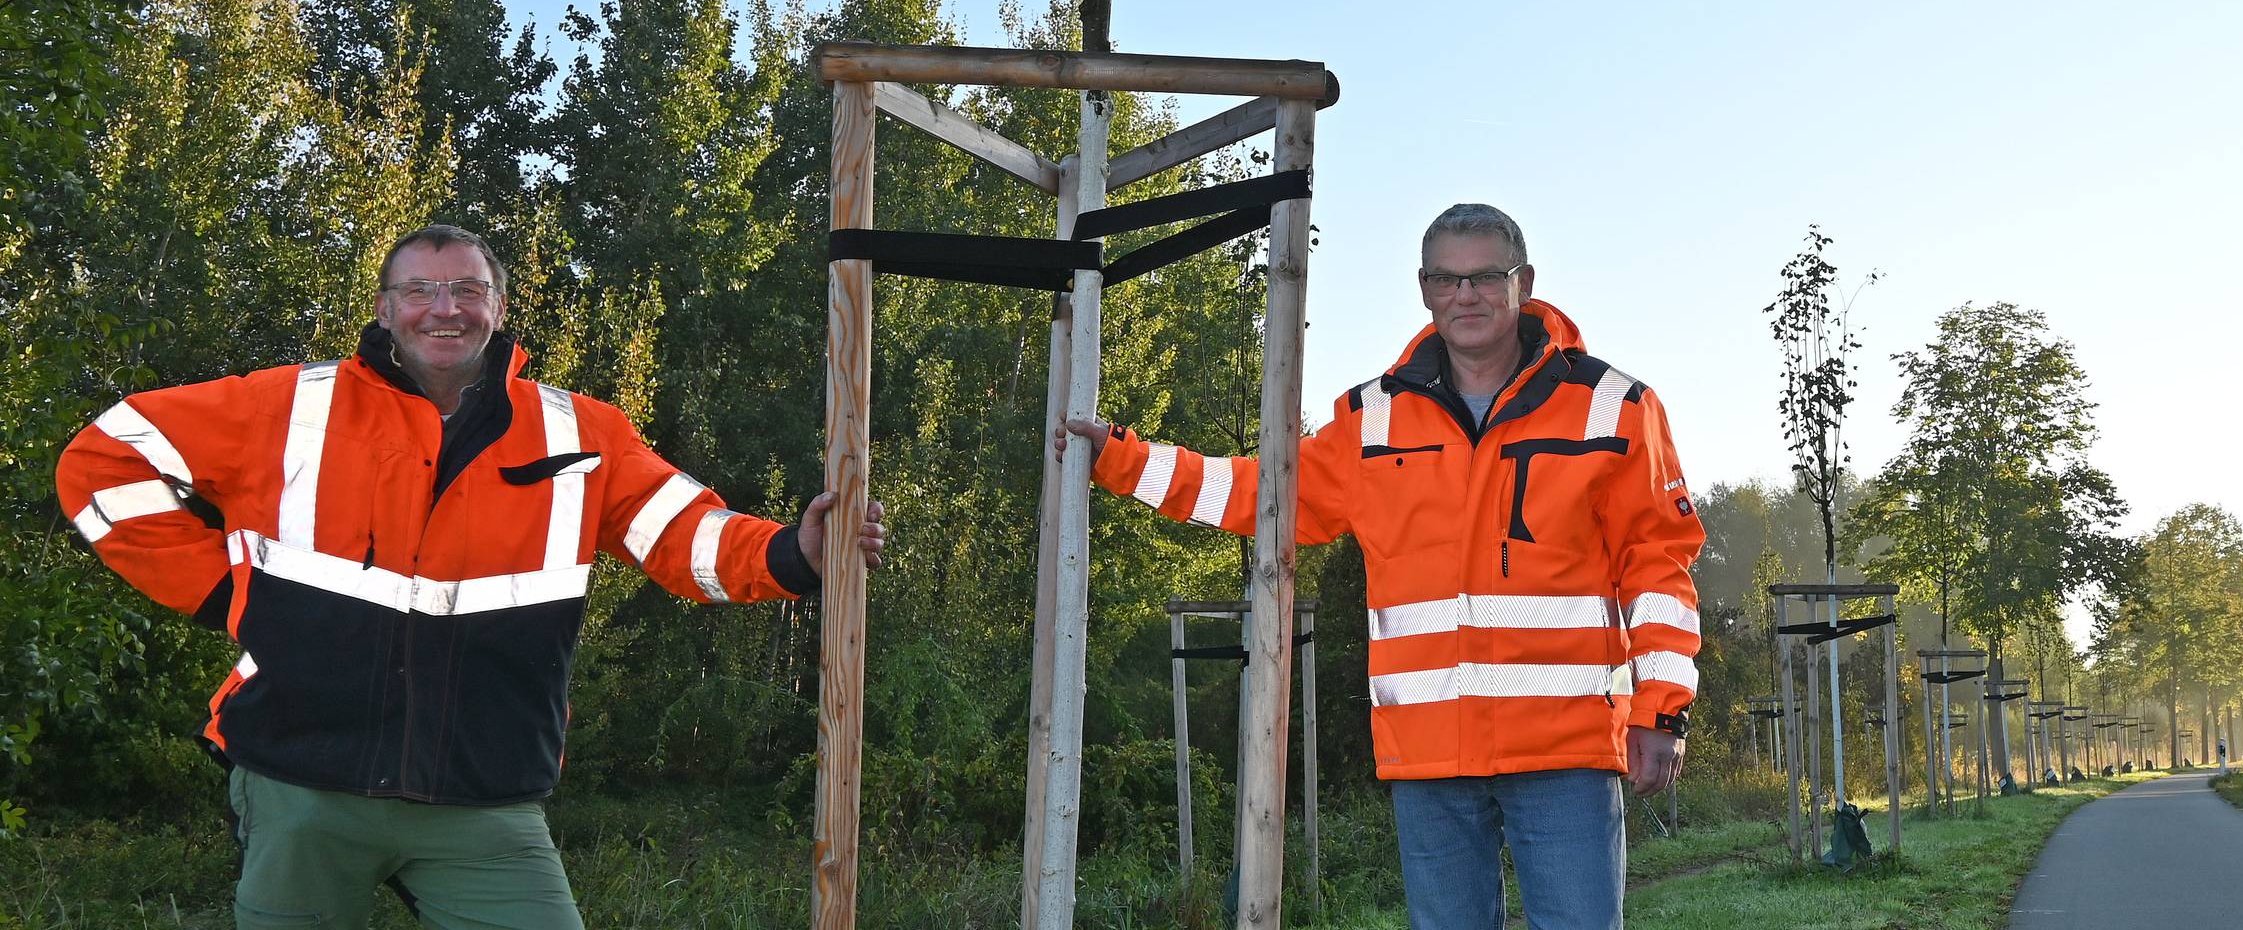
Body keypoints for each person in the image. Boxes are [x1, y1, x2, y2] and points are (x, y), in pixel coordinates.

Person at [56, 222, 887, 929]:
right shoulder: (284, 408)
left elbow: (684, 535)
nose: (443, 308)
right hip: (303, 785)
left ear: (497, 307)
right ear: (385, 310)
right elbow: (103, 458)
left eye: (466, 289)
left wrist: (794, 554)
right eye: (419, 291)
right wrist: (222, 591)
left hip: (484, 797)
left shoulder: (577, 430)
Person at [1062, 203, 1702, 930]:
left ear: (1523, 281)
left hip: (1567, 751)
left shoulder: (1615, 409)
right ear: (1425, 289)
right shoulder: (1373, 421)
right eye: (1446, 279)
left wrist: (1663, 710)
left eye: (1486, 277)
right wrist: (1121, 459)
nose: (1466, 296)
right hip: (1429, 760)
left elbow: (1660, 571)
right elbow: (1260, 494)